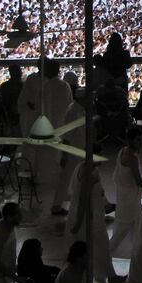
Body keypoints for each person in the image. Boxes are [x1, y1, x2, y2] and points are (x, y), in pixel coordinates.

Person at [67, 162, 125, 283]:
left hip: (95, 215)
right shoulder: (85, 172)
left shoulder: (93, 170)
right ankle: (106, 275)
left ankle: (106, 274)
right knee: (98, 246)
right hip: (90, 217)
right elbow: (83, 199)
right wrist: (79, 222)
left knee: (100, 246)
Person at [109, 127, 142, 257]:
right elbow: (138, 182)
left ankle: (138, 251)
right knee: (126, 226)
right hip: (130, 199)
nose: (141, 142)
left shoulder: (123, 151)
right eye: (138, 139)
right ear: (131, 140)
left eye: (141, 139)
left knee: (133, 226)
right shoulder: (132, 158)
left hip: (123, 195)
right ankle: (110, 251)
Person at [51, 88, 86, 216]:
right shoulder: (73, 112)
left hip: (79, 150)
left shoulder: (80, 109)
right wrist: (65, 156)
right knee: (65, 178)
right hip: (71, 152)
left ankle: (102, 203)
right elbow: (67, 136)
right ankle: (56, 207)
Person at [0, 64, 24, 135]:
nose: (21, 73)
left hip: (9, 116)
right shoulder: (23, 86)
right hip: (18, 116)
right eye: (19, 71)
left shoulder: (4, 86)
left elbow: (1, 101)